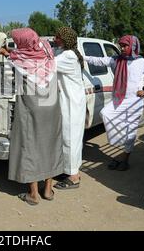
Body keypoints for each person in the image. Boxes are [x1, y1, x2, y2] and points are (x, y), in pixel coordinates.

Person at [0, 28, 63, 206]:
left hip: (32, 108)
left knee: (30, 144)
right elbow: (26, 53)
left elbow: (16, 57)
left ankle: (34, 194)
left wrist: (4, 51)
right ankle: (48, 189)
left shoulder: (19, 61)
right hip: (52, 106)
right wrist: (8, 51)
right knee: (50, 144)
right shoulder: (48, 53)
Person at [84, 35, 144, 171]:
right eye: (121, 46)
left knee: (131, 130)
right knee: (105, 114)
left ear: (133, 47)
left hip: (135, 102)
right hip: (119, 100)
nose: (122, 48)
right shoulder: (116, 60)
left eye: (125, 46)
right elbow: (99, 61)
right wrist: (83, 57)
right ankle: (119, 152)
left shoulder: (141, 62)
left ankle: (124, 159)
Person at [53, 27, 86, 189]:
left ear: (64, 39)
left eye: (57, 37)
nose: (54, 38)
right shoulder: (67, 53)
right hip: (70, 101)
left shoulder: (68, 56)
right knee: (67, 138)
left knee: (70, 139)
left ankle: (74, 177)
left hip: (72, 103)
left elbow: (47, 64)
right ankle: (69, 170)